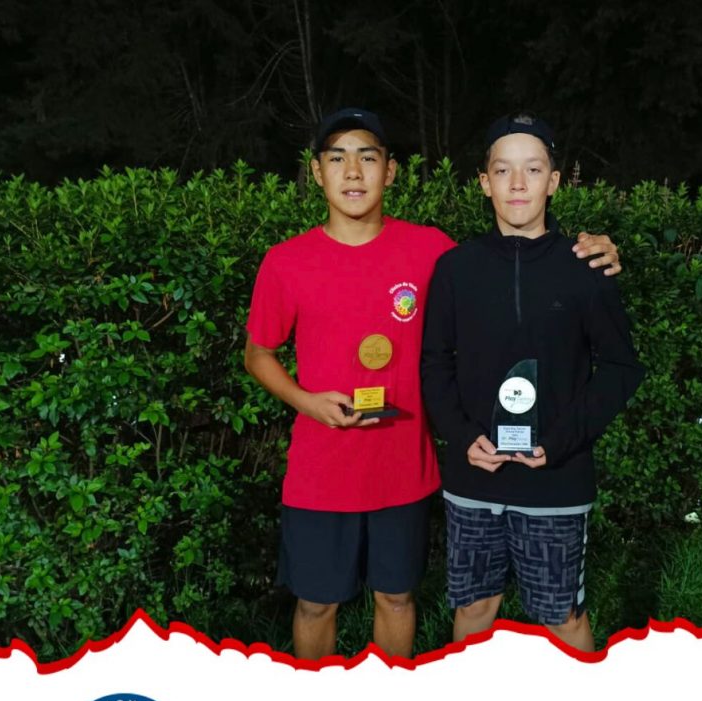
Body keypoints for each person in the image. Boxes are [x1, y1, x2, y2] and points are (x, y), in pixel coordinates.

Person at [245, 107, 622, 660]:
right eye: (338, 159)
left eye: (368, 158)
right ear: (317, 171)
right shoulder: (286, 262)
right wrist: (305, 401)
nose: (354, 172)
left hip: (404, 468)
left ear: (391, 170)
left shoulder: (432, 252)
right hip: (320, 470)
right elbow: (258, 353)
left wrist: (596, 251)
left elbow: (509, 261)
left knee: (397, 598)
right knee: (315, 605)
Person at [421, 112, 645, 652]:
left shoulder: (586, 268)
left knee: (561, 616)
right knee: (474, 609)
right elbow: (433, 362)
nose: (518, 183)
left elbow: (621, 367)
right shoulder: (455, 269)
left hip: (556, 482)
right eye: (503, 170)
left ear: (554, 180)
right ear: (484, 182)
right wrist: (461, 436)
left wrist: (561, 442)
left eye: (533, 169)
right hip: (475, 477)